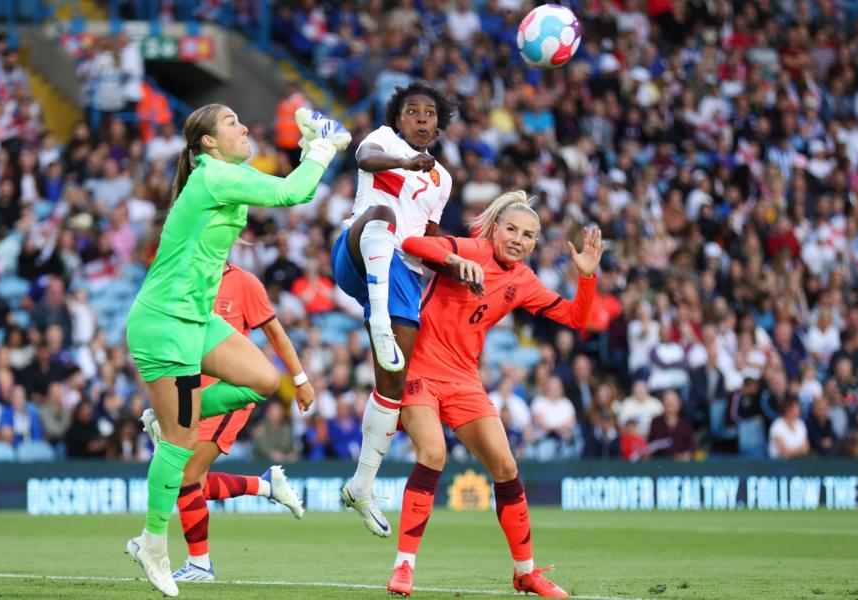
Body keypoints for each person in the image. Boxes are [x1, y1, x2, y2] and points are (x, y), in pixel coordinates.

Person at [123, 102, 348, 597]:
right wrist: (325, 148)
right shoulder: (213, 177)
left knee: (267, 382)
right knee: (181, 446)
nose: (244, 126)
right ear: (207, 143)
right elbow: (294, 191)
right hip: (166, 325)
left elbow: (285, 185)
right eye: (231, 123)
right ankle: (153, 544)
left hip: (197, 321)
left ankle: (168, 418)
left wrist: (310, 146)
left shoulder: (225, 175)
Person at [385, 191, 601, 598]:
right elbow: (410, 244)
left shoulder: (522, 281)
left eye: (529, 236)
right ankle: (404, 566)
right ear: (496, 228)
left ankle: (525, 573)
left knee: (505, 465)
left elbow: (577, 318)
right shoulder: (471, 248)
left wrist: (586, 276)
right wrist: (453, 260)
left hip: (464, 379)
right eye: (512, 229)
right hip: (420, 371)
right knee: (433, 453)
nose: (518, 239)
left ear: (535, 244)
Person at [323, 82, 457, 537]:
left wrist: (454, 264)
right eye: (412, 111)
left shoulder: (444, 179)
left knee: (392, 384)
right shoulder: (382, 140)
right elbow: (363, 161)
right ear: (398, 119)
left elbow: (431, 237)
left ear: (439, 124)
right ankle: (377, 317)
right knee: (382, 215)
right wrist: (404, 161)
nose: (420, 118)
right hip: (358, 250)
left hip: (403, 275)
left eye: (429, 113)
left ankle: (361, 485)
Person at [140, 262, 313, 582]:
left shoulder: (245, 283)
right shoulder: (183, 277)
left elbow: (275, 331)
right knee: (196, 483)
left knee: (186, 474)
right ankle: (264, 485)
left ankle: (200, 564)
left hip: (226, 397)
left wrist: (300, 379)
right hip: (190, 392)